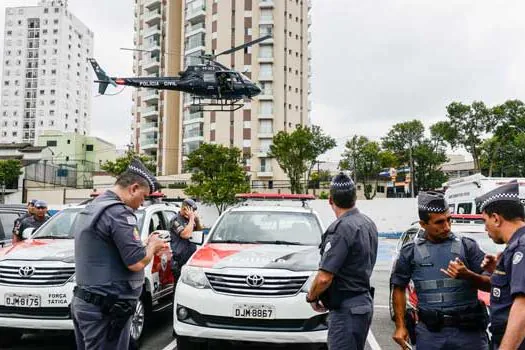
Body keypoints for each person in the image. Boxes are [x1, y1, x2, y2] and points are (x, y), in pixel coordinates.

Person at [71, 159, 168, 350]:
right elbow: (137, 262)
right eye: (143, 196)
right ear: (133, 188)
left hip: (89, 303)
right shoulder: (118, 213)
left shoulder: (95, 206)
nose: (142, 204)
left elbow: (109, 249)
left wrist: (143, 244)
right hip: (106, 308)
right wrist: (153, 246)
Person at [390, 191, 490, 350]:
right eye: (440, 222)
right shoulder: (410, 252)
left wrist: (469, 276)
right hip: (431, 335)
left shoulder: (467, 246)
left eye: (449, 220)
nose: (447, 227)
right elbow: (399, 288)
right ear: (423, 224)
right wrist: (400, 326)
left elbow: (491, 284)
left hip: (469, 334)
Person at [305, 172, 378, 350]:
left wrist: (312, 297)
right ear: (355, 197)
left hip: (346, 310)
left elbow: (324, 278)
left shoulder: (341, 229)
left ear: (330, 200)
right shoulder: (367, 223)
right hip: (362, 304)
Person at [475, 180, 525, 349]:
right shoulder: (514, 248)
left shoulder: (521, 247)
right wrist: (497, 271)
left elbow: (522, 308)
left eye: (484, 221)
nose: (485, 229)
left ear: (496, 218)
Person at [169, 198, 203, 281]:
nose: (193, 212)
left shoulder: (189, 219)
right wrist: (191, 219)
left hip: (190, 258)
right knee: (179, 286)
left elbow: (198, 231)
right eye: (192, 210)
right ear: (185, 208)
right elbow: (185, 235)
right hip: (179, 261)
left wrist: (197, 220)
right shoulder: (176, 220)